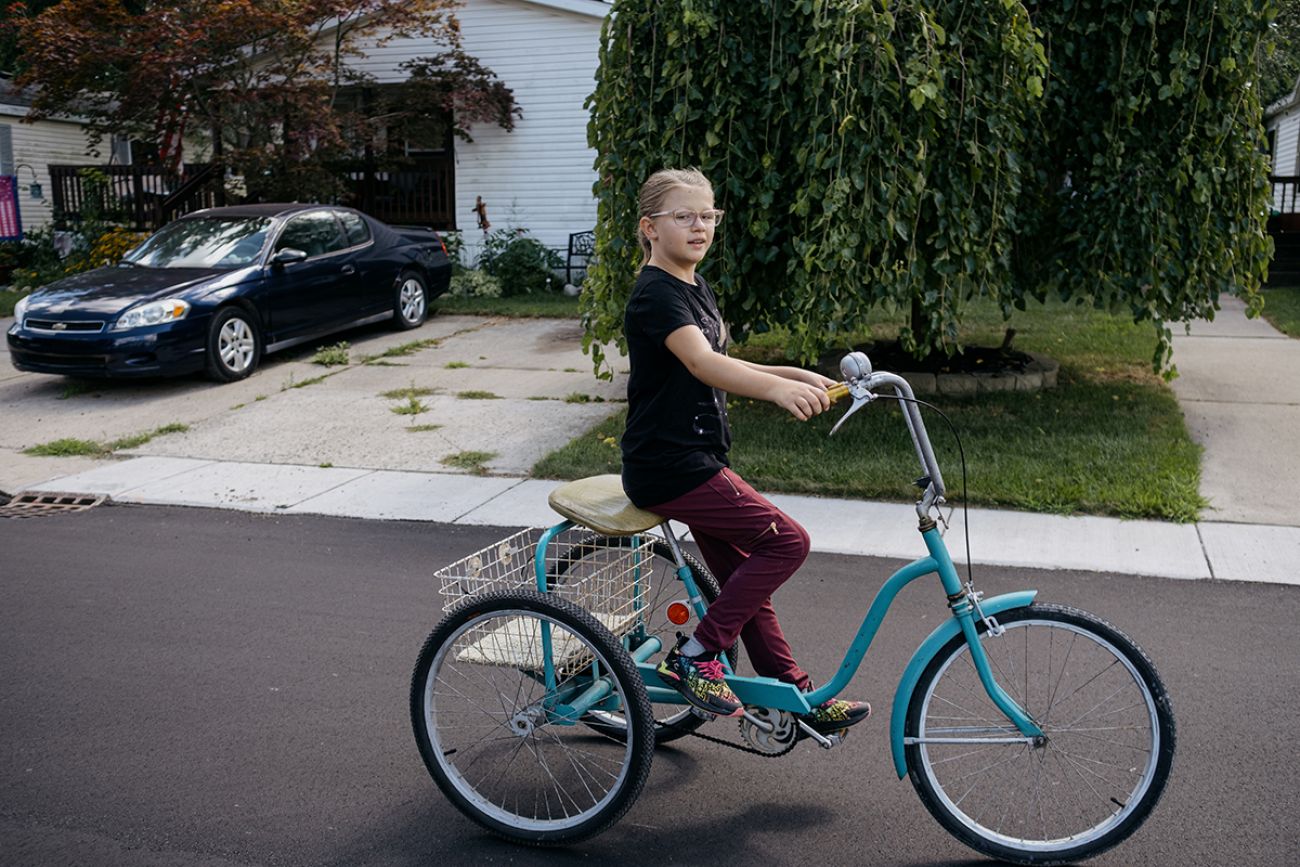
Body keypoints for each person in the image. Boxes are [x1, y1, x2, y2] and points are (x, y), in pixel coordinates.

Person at [621, 167, 870, 736]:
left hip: (698, 461)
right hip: (668, 466)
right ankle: (693, 658)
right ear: (650, 227)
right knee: (787, 543)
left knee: (746, 584)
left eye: (708, 215)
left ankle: (793, 695)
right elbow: (703, 364)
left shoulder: (692, 284)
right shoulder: (655, 294)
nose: (699, 226)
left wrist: (790, 372)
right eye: (684, 216)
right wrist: (779, 391)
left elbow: (728, 358)